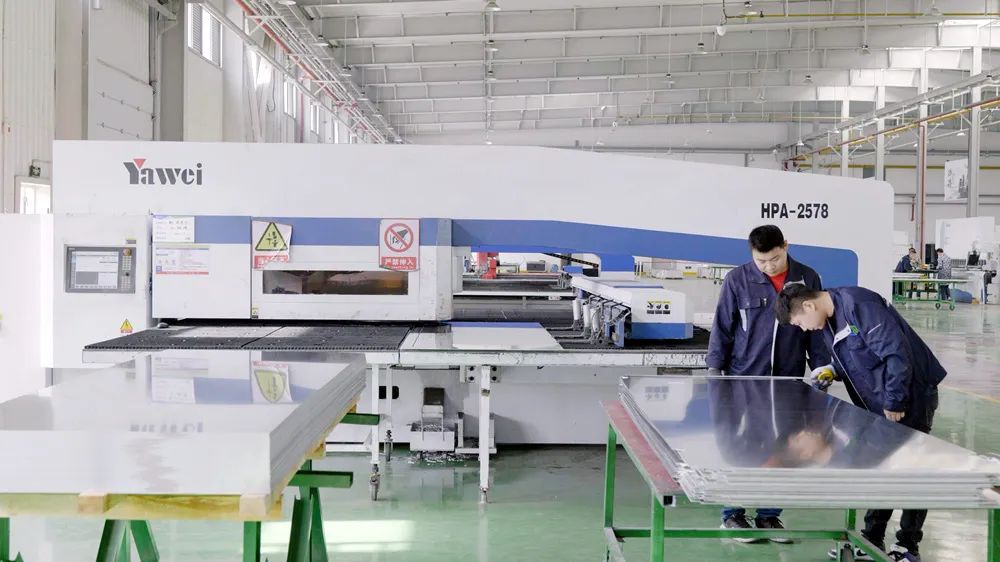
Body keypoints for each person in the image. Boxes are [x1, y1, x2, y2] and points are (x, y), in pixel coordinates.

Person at [774, 284, 947, 562]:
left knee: (912, 470)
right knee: (883, 465)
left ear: (808, 306)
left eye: (799, 322)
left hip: (910, 396)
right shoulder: (830, 319)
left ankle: (907, 546)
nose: (804, 328)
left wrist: (895, 401)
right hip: (882, 400)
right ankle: (872, 539)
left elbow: (896, 354)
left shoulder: (859, 305)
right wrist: (832, 369)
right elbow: (857, 356)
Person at [706, 224, 831, 543]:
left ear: (786, 246)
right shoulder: (737, 279)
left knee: (786, 444)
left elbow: (816, 329)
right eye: (760, 261)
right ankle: (732, 514)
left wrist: (821, 368)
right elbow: (723, 326)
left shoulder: (807, 278)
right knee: (738, 447)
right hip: (744, 377)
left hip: (789, 377)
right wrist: (715, 369)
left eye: (774, 259)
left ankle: (769, 516)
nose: (768, 266)